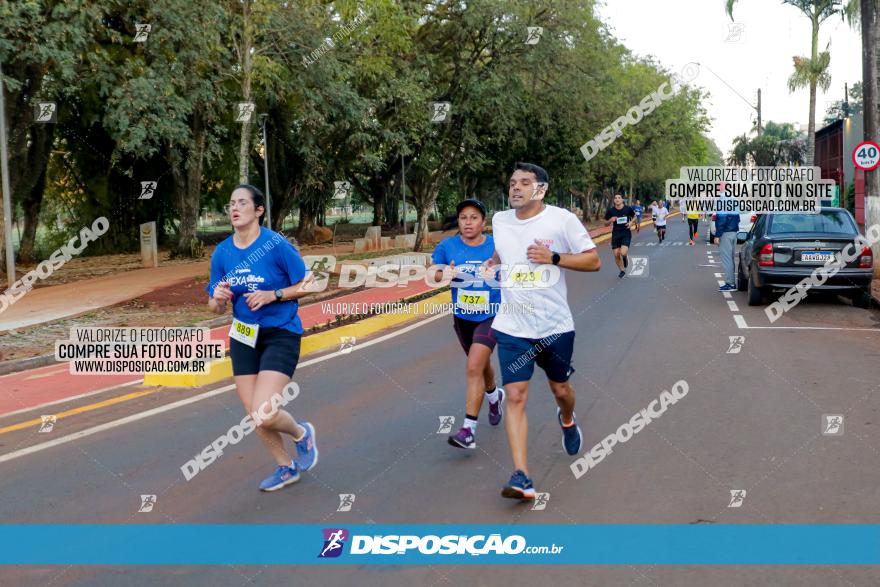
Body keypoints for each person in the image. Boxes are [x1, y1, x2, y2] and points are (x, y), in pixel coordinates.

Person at [486, 162, 601, 500]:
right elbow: (501, 252)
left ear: (541, 189)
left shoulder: (561, 219)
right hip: (512, 325)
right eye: (512, 182)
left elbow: (593, 261)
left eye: (524, 182)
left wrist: (553, 257)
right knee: (516, 396)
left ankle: (567, 419)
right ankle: (521, 475)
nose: (516, 188)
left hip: (554, 326)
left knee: (561, 389)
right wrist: (492, 263)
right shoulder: (500, 220)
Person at [207, 184, 318, 492]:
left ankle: (301, 433)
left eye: (242, 202)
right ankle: (286, 467)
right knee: (254, 415)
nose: (234, 208)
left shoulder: (276, 245)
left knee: (264, 411)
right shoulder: (223, 252)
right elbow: (214, 306)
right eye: (231, 203)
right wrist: (217, 297)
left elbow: (311, 284)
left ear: (259, 211)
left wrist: (274, 294)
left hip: (280, 332)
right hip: (243, 336)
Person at [431, 199, 504, 449]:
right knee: (480, 367)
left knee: (474, 365)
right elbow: (433, 273)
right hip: (463, 317)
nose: (468, 222)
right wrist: (445, 274)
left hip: (492, 314)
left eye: (474, 217)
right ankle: (494, 396)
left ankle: (468, 430)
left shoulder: (496, 245)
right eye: (463, 217)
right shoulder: (447, 246)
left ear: (483, 222)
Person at [714, 186, 740, 292]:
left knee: (727, 259)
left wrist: (717, 235)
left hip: (725, 233)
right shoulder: (734, 199)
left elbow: (722, 219)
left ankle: (730, 284)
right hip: (734, 232)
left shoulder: (722, 200)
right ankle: (732, 282)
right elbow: (737, 218)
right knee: (731, 258)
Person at [604, 194, 635, 278]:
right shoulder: (611, 211)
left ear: (622, 200)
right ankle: (622, 270)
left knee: (623, 252)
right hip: (616, 234)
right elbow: (605, 223)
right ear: (614, 200)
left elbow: (634, 216)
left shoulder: (628, 209)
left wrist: (631, 222)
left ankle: (625, 257)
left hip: (626, 233)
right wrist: (610, 220)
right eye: (615, 198)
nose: (617, 199)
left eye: (619, 198)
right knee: (616, 255)